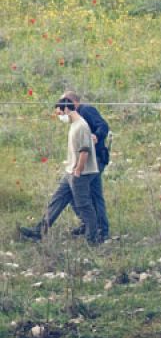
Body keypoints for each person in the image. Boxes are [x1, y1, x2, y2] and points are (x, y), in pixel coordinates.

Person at [18, 98, 104, 244]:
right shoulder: (74, 124)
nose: (59, 117)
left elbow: (84, 151)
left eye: (59, 113)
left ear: (66, 109)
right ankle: (40, 231)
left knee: (84, 205)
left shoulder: (81, 126)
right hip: (70, 172)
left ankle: (93, 238)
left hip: (80, 174)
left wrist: (78, 170)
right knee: (57, 200)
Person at [61, 91, 111, 240]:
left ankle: (97, 229)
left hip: (95, 159)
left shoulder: (86, 110)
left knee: (87, 195)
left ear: (72, 102)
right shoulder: (76, 117)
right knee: (90, 194)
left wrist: (96, 135)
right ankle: (93, 226)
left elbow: (103, 125)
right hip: (90, 160)